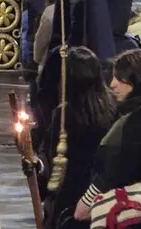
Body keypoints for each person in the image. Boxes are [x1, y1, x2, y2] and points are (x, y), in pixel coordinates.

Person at [77, 50, 141, 229]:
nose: (112, 84)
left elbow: (123, 165)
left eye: (119, 78)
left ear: (137, 79)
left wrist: (89, 198)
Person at [39, 46, 118, 229]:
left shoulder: (64, 115)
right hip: (104, 190)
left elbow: (51, 155)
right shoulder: (115, 107)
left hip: (71, 193)